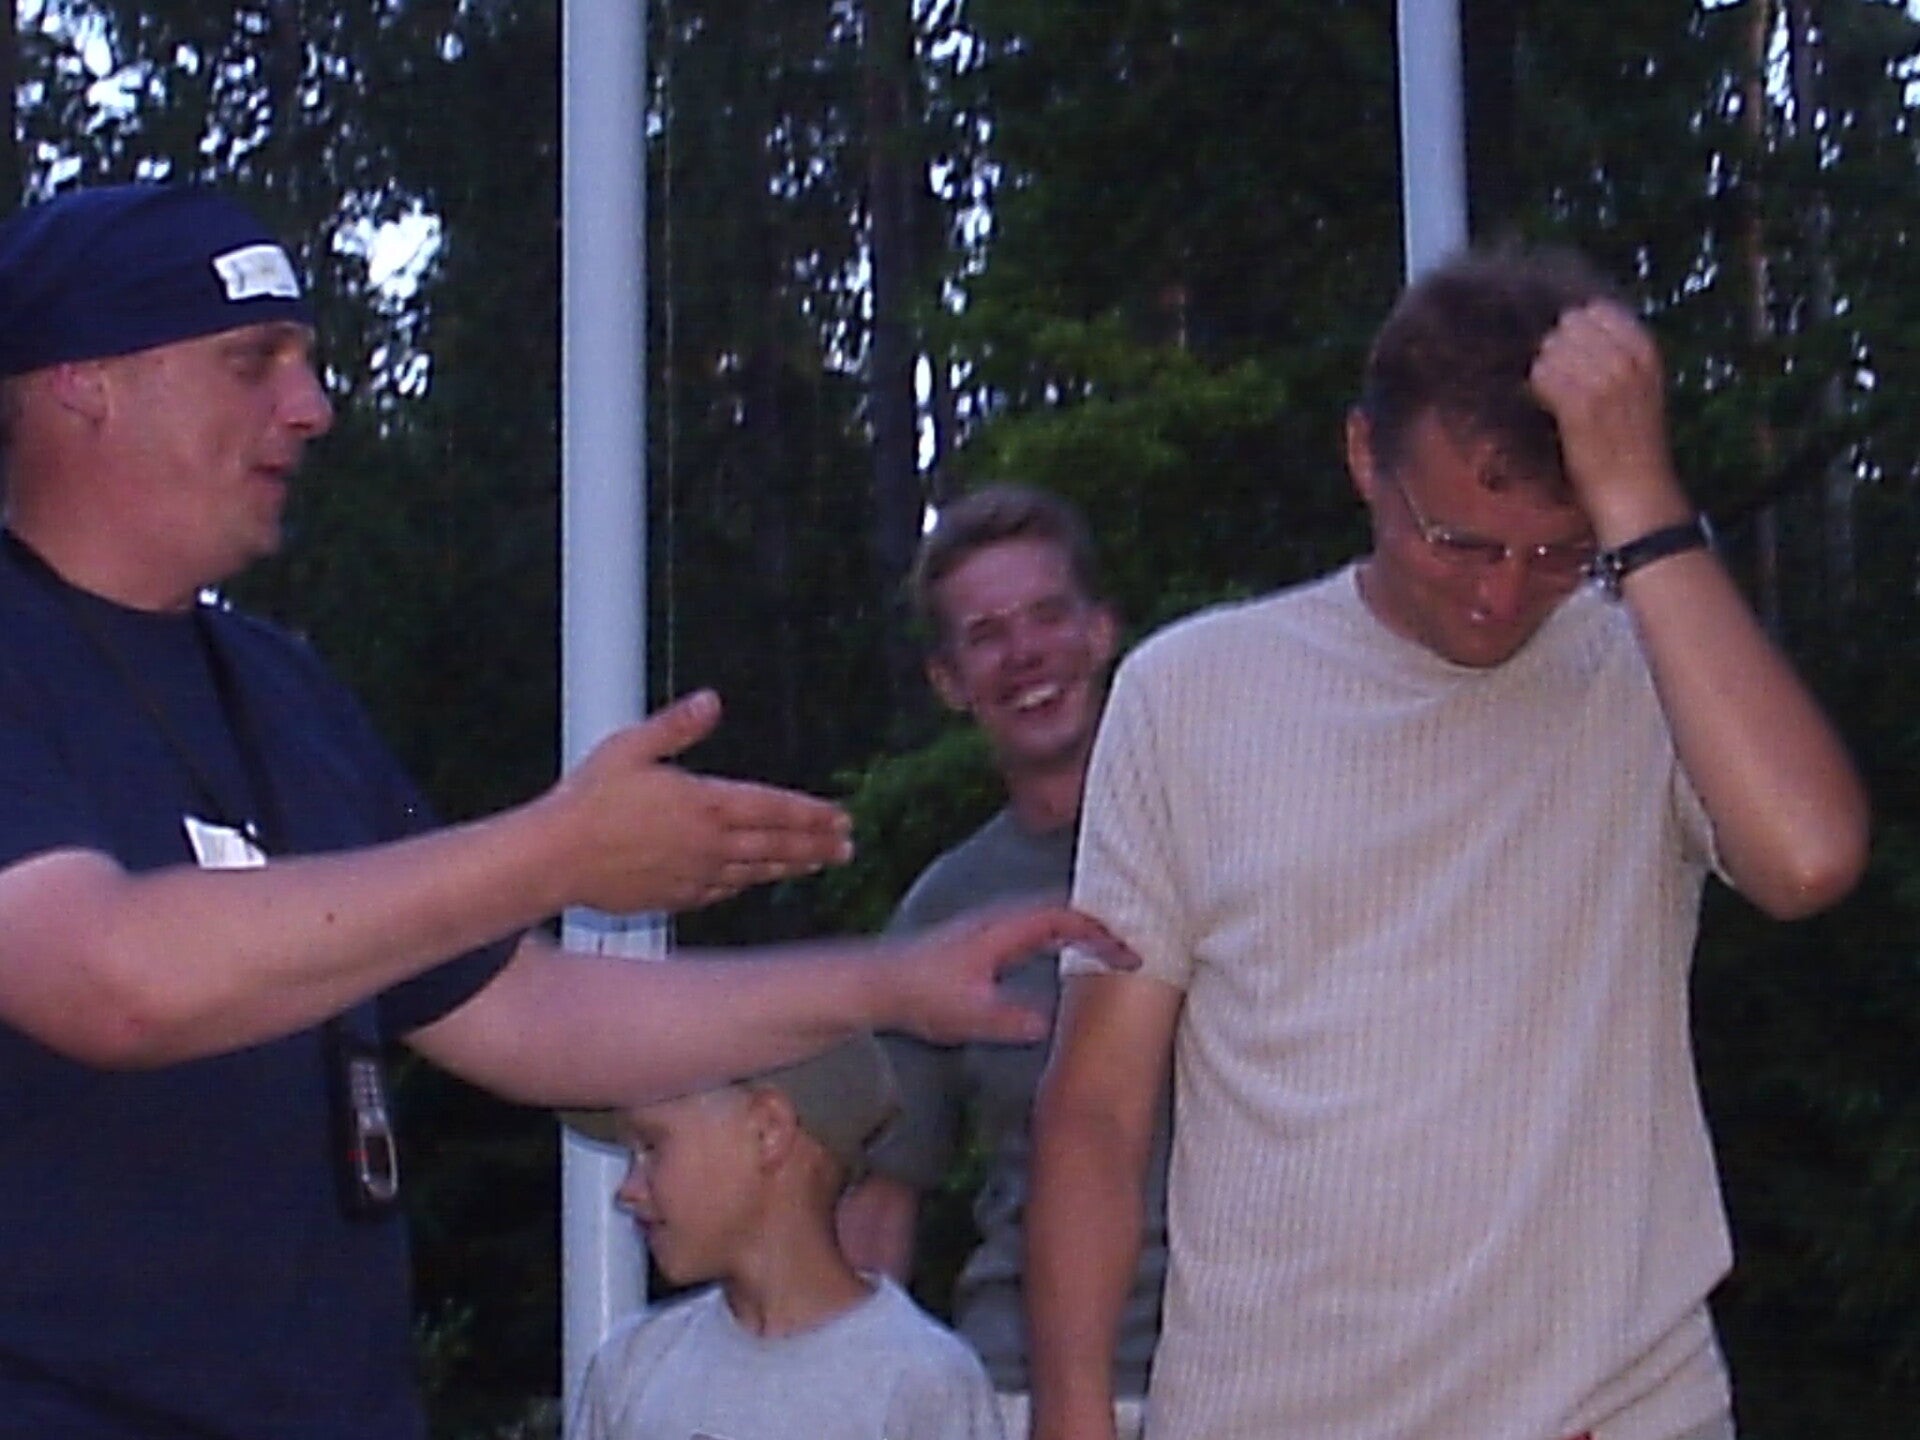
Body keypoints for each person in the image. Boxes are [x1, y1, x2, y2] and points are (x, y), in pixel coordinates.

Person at [0, 182, 1128, 1440]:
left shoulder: (285, 691)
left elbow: (529, 1011)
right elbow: (104, 976)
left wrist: (888, 983)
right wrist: (553, 850)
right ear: (84, 381)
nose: (310, 407)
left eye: (305, 363)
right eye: (252, 361)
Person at [1027, 248, 1871, 1440]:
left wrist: (1638, 497)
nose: (1500, 595)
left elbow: (1809, 857)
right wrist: (1072, 1413)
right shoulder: (1189, 693)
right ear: (1363, 458)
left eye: (1557, 551)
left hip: (1605, 1414)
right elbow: (1098, 1111)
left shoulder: (1652, 666)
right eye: (1459, 541)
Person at [837, 485, 1168, 1440]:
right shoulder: (946, 910)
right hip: (1021, 1383)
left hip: (1259, 1367)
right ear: (949, 680)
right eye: (986, 635)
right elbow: (882, 1191)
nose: (1025, 655)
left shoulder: (1233, 837)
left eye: (1048, 616)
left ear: (1102, 631)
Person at [566, 1032, 1006, 1440]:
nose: (627, 1190)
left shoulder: (921, 1380)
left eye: (652, 1147)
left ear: (769, 1131)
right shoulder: (632, 1369)